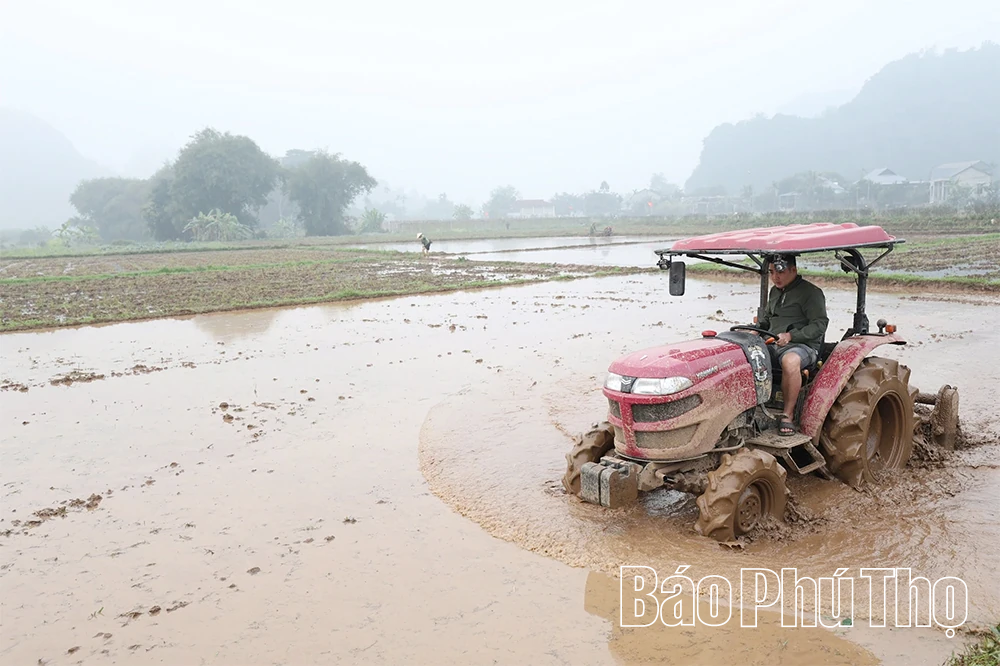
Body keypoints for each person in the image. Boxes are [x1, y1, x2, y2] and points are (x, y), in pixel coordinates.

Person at [755, 254, 829, 436]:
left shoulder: (811, 293)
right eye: (771, 272)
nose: (775, 277)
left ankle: (787, 415)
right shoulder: (774, 292)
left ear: (793, 270)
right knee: (745, 355)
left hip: (803, 346)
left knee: (789, 361)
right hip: (774, 343)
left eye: (780, 272)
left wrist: (791, 335)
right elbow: (765, 321)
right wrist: (754, 331)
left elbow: (820, 324)